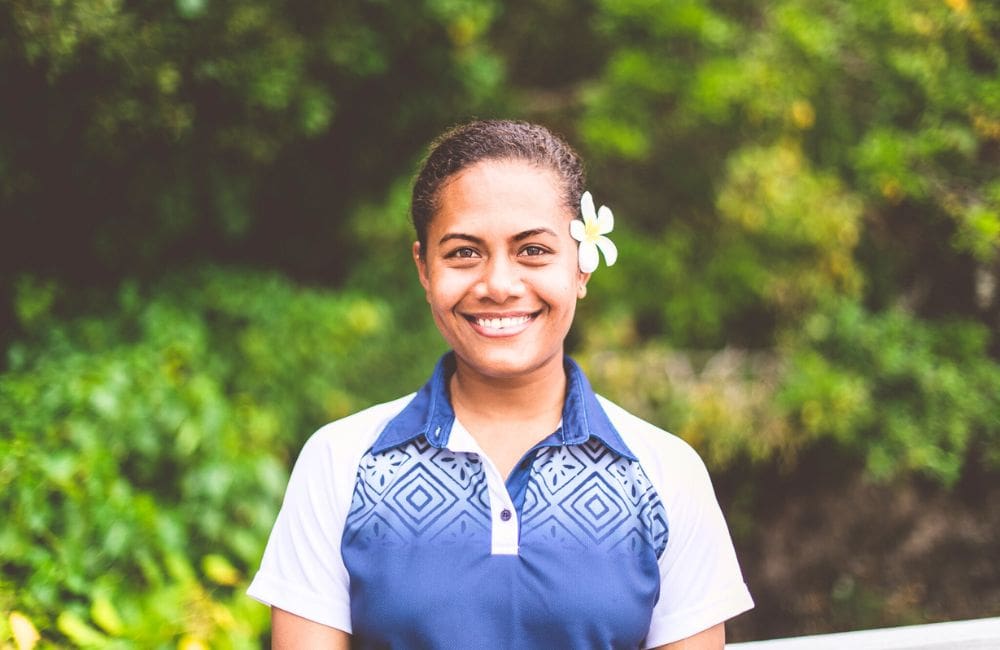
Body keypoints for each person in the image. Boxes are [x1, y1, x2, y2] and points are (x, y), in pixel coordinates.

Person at [247, 120, 753, 649]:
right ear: (424, 268)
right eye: (464, 252)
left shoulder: (665, 474)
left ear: (581, 265)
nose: (499, 285)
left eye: (532, 250)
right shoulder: (341, 463)